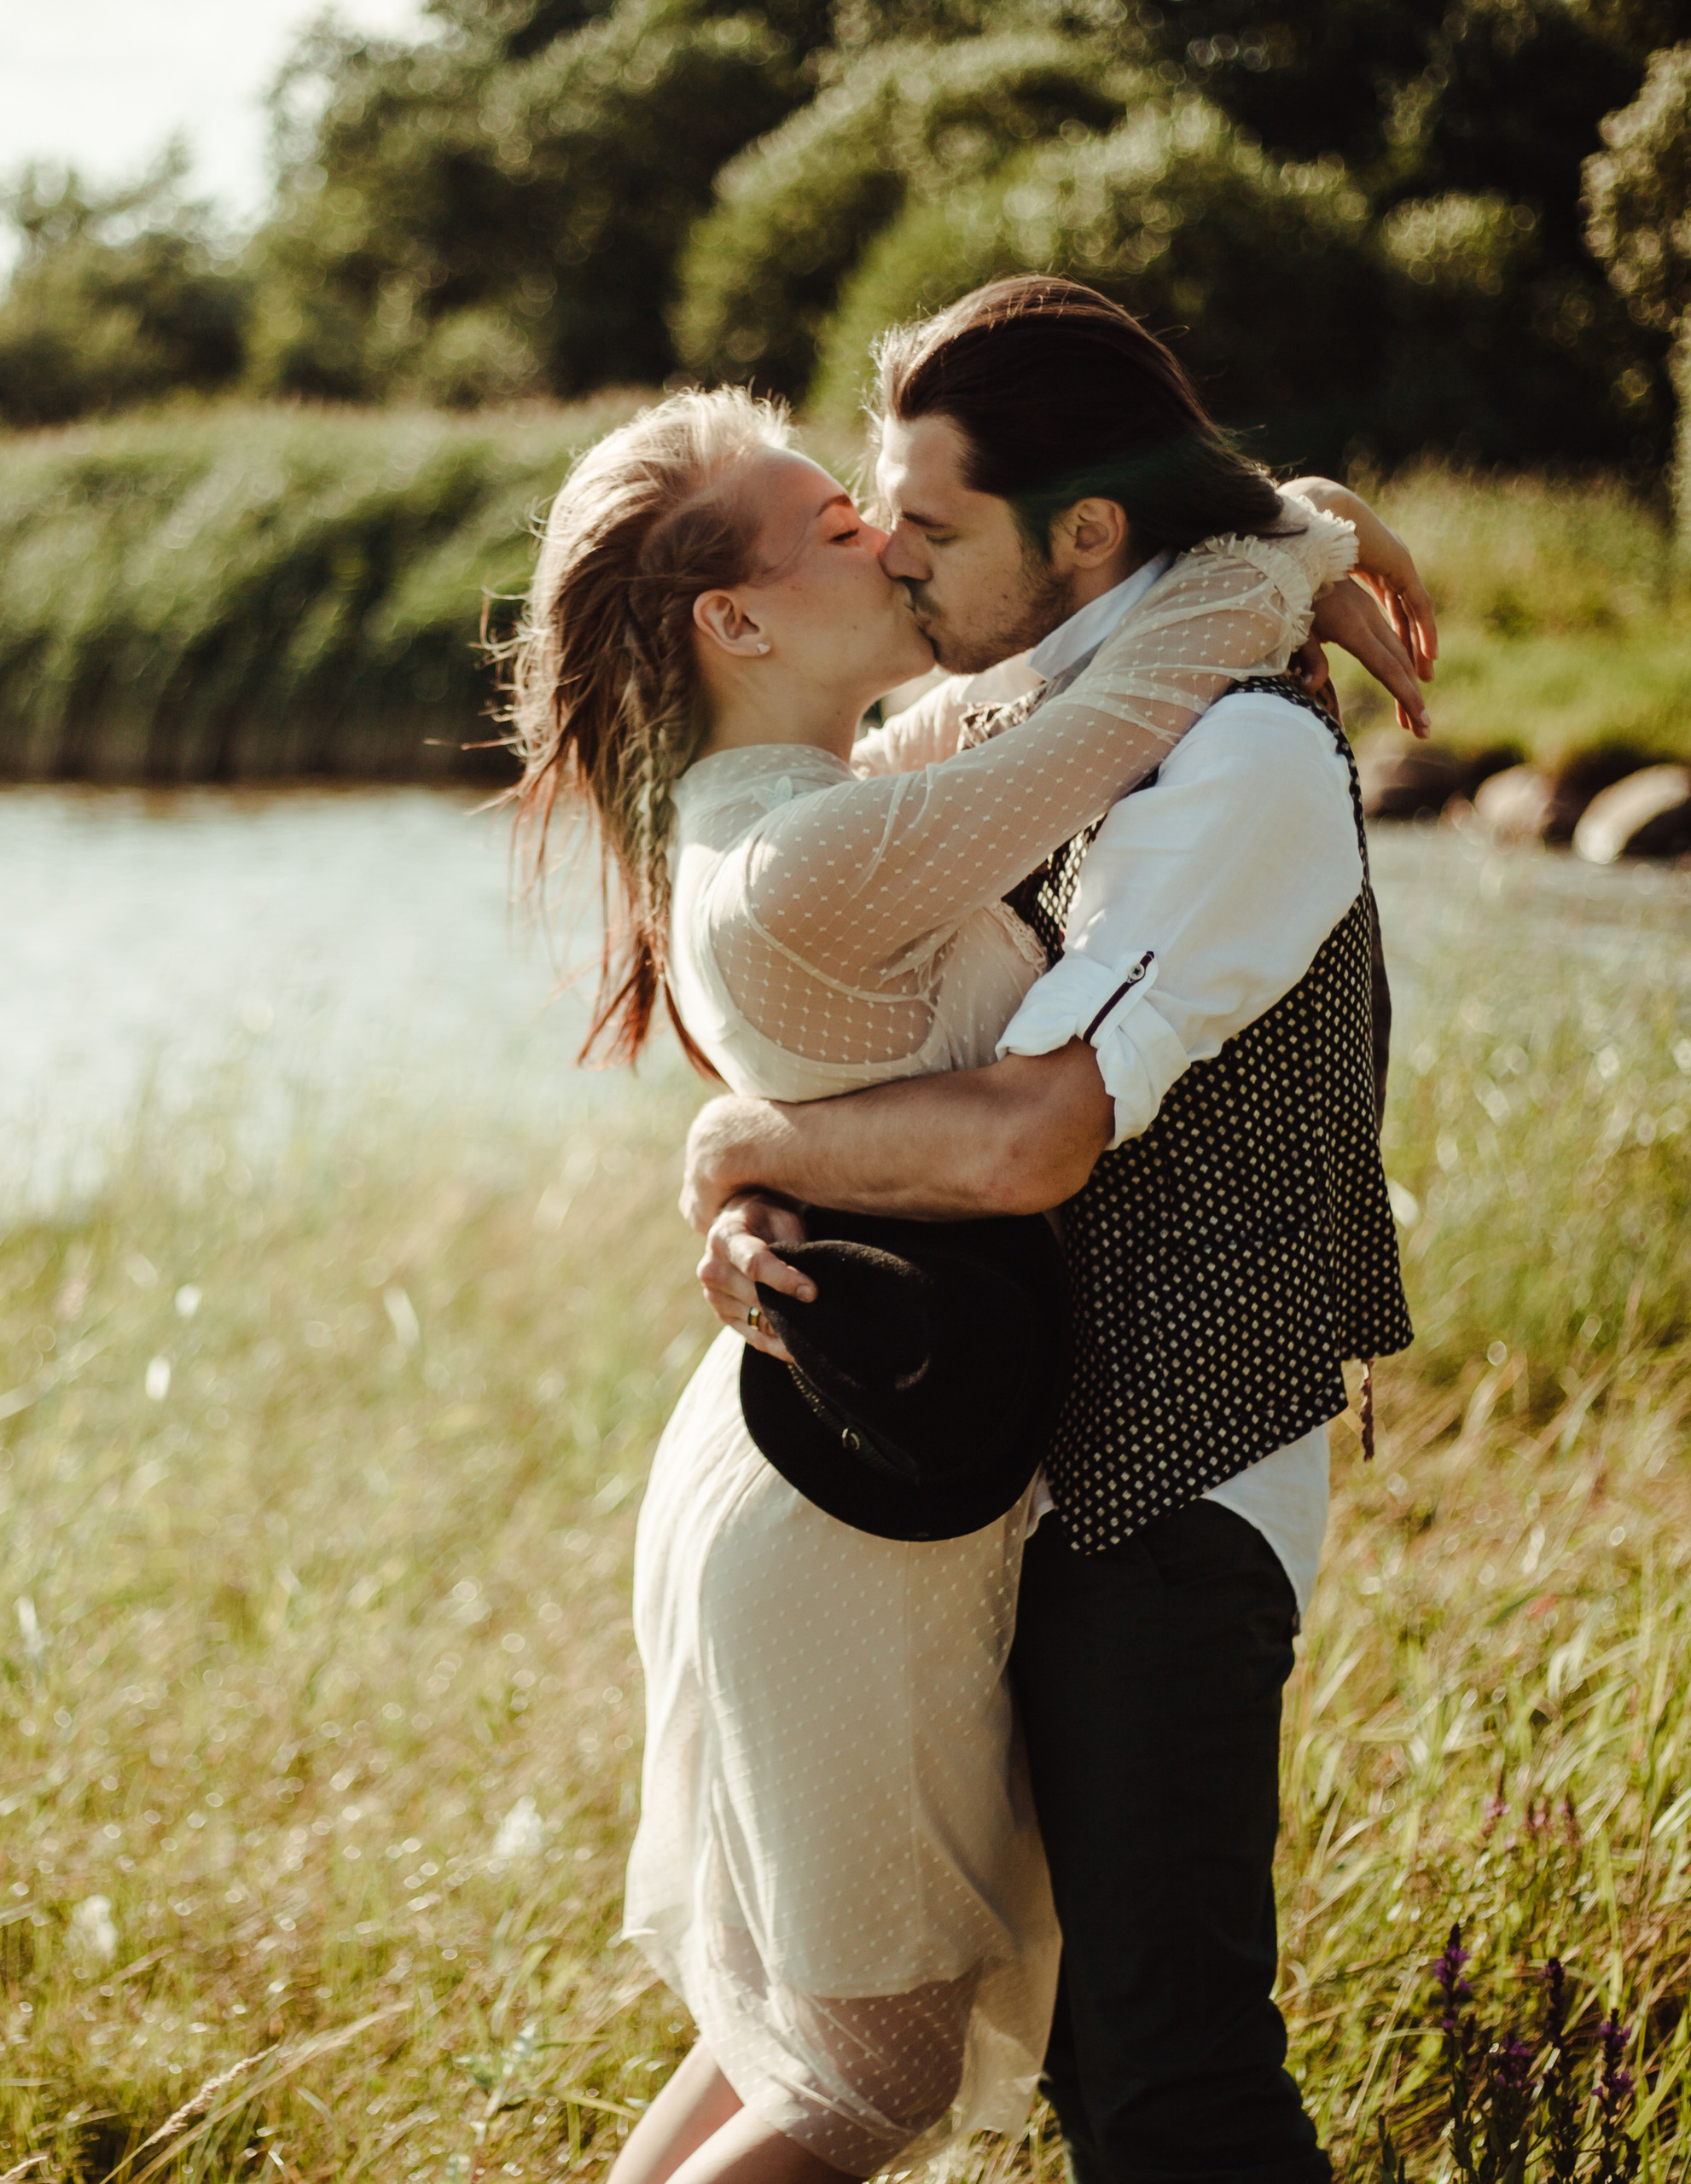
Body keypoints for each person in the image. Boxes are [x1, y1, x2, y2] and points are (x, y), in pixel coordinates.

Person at [504, 278, 1427, 2184]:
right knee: (873, 2075)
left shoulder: (909, 769)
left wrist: (1299, 530)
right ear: (735, 620)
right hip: (876, 1484)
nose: (889, 549)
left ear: (1077, 533)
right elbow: (1099, 727)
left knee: (983, 2059)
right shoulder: (842, 817)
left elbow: (1081, 712)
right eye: (852, 522)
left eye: (910, 518)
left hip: (1064, 1457)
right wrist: (1297, 544)